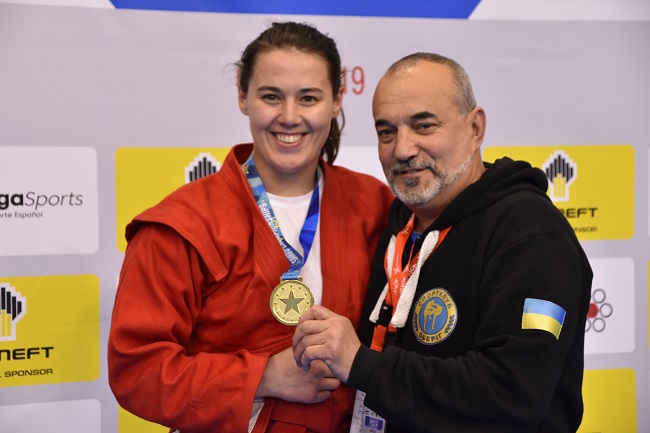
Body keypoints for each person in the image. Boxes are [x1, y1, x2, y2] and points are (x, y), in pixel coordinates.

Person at [107, 22, 394, 433]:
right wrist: (263, 377)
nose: (290, 117)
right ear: (243, 96)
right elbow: (137, 372)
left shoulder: (374, 204)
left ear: (337, 100)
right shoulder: (182, 225)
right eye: (271, 96)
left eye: (309, 98)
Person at [292, 52, 593, 433]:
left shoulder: (532, 234)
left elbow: (512, 394)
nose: (402, 149)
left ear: (475, 129)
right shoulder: (400, 224)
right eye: (387, 132)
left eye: (424, 126)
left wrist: (361, 364)